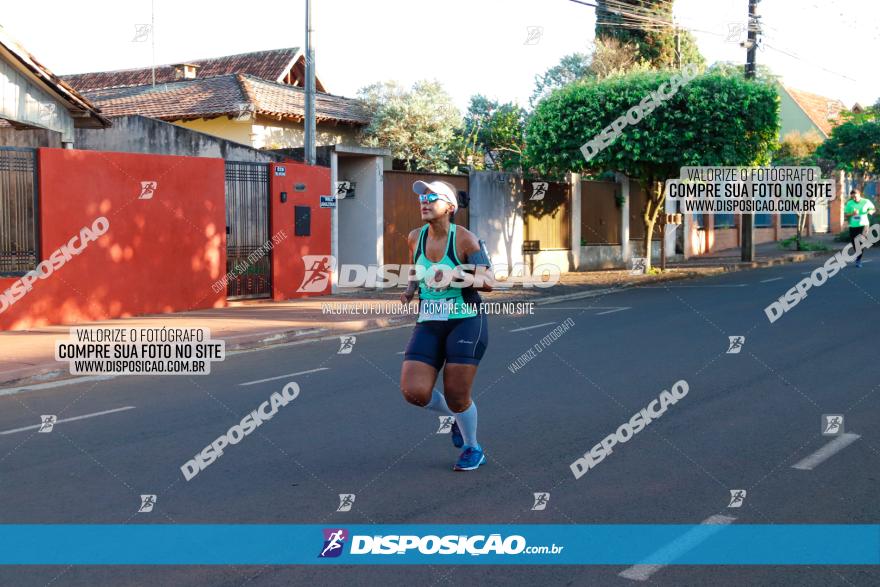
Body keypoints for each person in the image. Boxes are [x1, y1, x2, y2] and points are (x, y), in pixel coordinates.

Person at [399, 180, 493, 471]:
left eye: (432, 197)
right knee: (414, 392)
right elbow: (416, 266)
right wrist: (410, 289)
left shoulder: (465, 239)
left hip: (465, 321)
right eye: (421, 198)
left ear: (450, 207)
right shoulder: (415, 236)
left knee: (457, 394)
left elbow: (489, 281)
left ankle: (472, 447)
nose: (424, 202)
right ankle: (455, 417)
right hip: (429, 321)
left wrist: (455, 277)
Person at [844, 189, 876, 268]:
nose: (854, 198)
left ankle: (858, 259)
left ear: (859, 194)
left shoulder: (866, 201)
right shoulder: (849, 203)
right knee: (854, 243)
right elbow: (846, 215)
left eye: (855, 196)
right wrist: (852, 213)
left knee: (860, 242)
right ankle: (858, 255)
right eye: (852, 197)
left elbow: (873, 209)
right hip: (853, 226)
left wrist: (871, 211)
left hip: (864, 225)